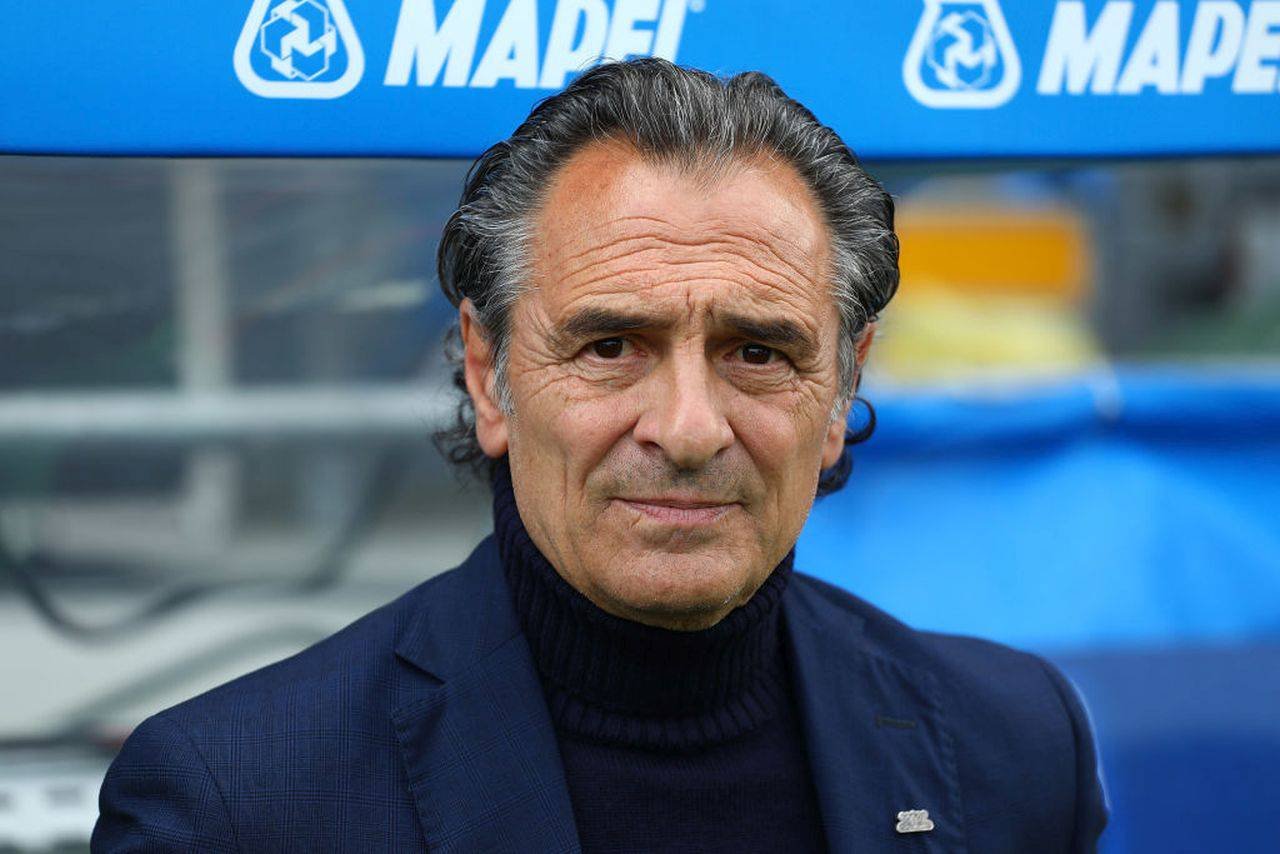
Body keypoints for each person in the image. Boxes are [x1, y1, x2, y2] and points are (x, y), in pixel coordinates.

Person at [93, 59, 1108, 853]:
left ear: (843, 387)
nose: (688, 428)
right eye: (612, 346)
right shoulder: (239, 802)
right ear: (488, 373)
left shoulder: (1013, 748)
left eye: (757, 352)